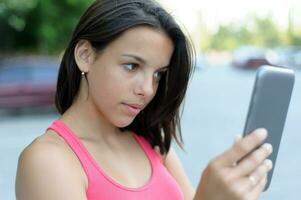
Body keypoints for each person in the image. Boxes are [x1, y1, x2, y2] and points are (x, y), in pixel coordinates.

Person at [15, 0, 273, 199]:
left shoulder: (153, 142)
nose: (148, 89)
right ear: (85, 55)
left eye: (159, 74)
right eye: (131, 66)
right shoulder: (48, 160)